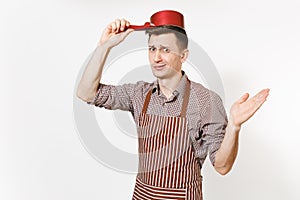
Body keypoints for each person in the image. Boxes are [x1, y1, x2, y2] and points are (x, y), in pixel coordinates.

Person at [76, 10, 269, 200]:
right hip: (143, 196)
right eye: (152, 49)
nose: (156, 57)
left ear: (183, 56)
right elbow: (86, 93)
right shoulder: (138, 94)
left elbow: (222, 166)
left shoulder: (205, 100)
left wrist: (234, 127)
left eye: (165, 49)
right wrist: (104, 47)